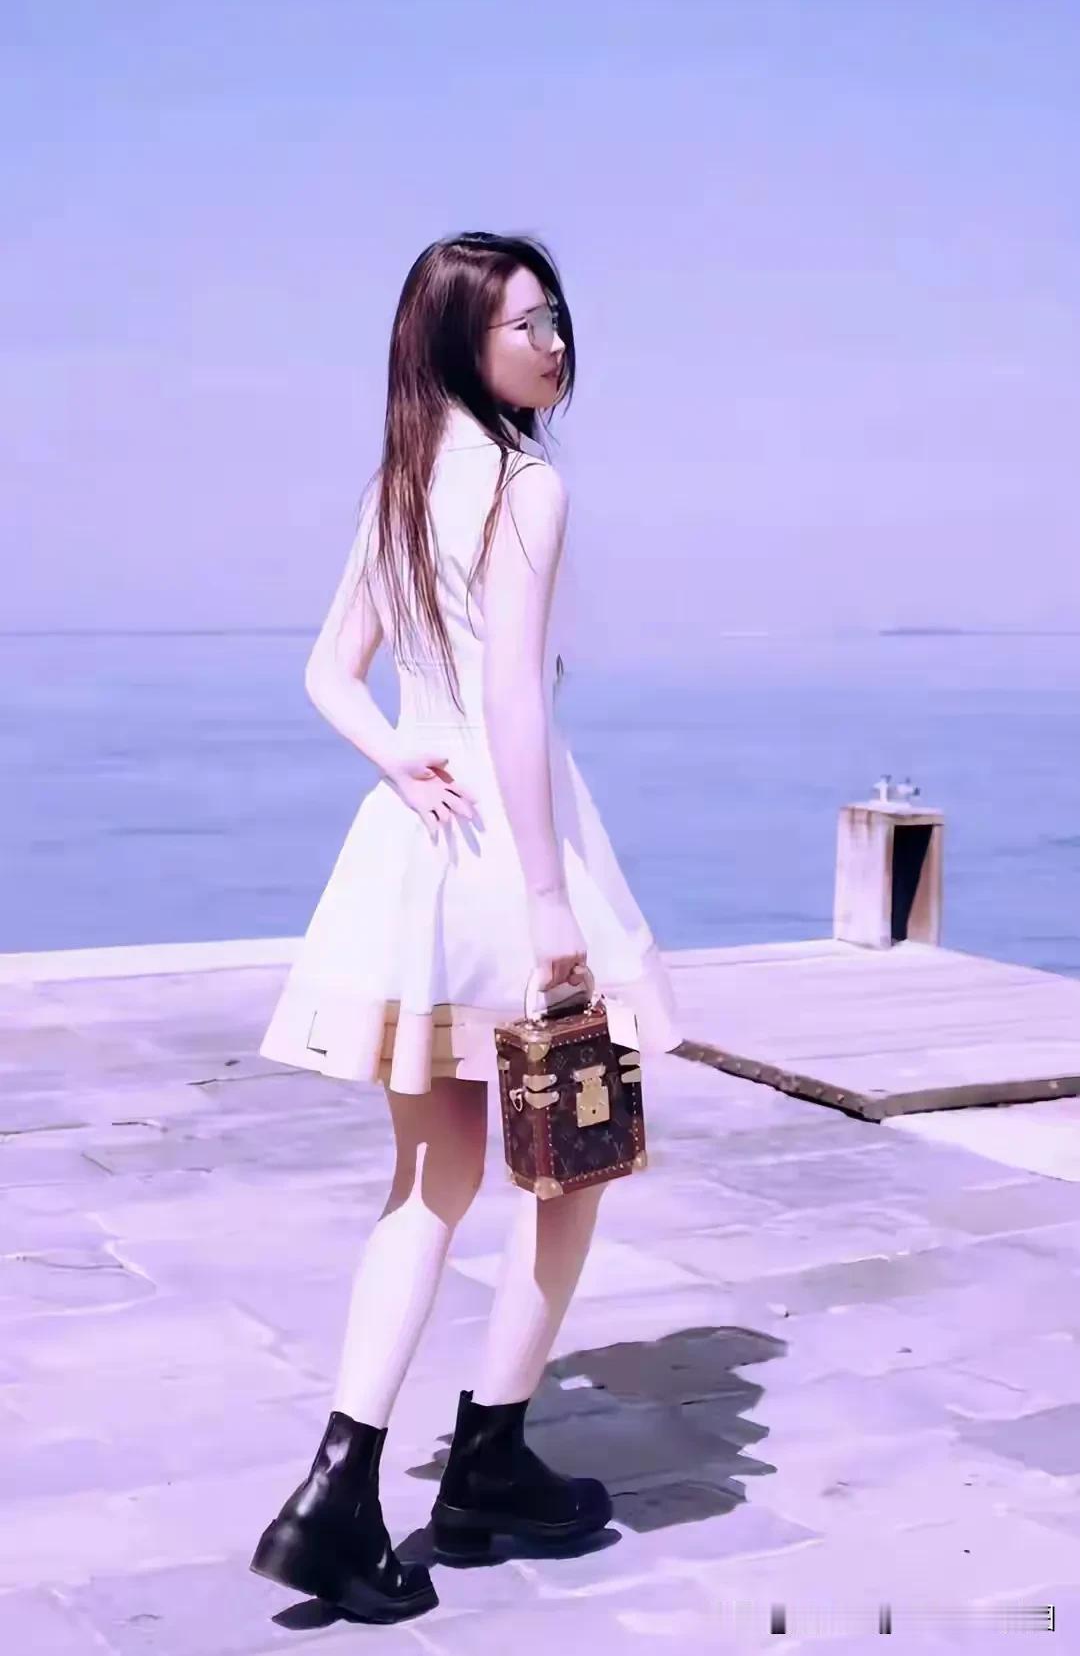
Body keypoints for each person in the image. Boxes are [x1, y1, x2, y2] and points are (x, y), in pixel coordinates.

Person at [249, 231, 682, 1624]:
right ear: (462, 345)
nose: (555, 344)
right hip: (510, 852)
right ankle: (487, 1459)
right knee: (572, 1159)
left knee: (430, 1183)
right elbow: (513, 707)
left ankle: (335, 1492)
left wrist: (394, 758)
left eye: (556, 318)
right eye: (526, 325)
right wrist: (551, 901)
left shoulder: (401, 480)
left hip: (415, 856)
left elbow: (328, 674)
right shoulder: (522, 483)